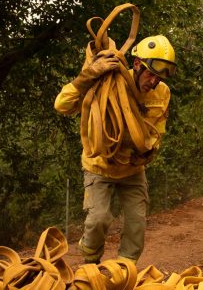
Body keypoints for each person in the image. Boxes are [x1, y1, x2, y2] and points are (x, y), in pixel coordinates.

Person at [54, 35, 177, 264]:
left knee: (137, 223)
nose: (154, 82)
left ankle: (124, 270)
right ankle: (90, 265)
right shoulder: (107, 81)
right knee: (99, 219)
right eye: (151, 74)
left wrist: (149, 150)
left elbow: (158, 130)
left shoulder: (163, 93)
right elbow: (62, 106)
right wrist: (88, 75)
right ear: (138, 64)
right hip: (100, 165)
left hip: (133, 169)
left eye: (159, 78)